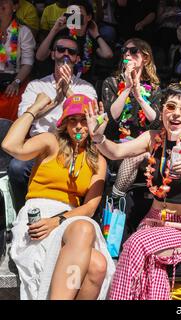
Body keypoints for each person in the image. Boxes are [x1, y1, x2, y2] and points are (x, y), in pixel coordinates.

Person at [87, 83, 181, 300]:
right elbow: (116, 152)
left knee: (134, 244)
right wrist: (98, 138)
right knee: (147, 260)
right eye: (171, 107)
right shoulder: (152, 137)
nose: (176, 114)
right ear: (162, 110)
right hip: (153, 221)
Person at [1, 93, 115, 300]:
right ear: (64, 123)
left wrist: (58, 220)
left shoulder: (98, 159)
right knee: (95, 260)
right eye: (73, 120)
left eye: (84, 120)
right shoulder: (50, 141)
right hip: (40, 214)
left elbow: (89, 208)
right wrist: (35, 108)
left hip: (71, 218)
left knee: (97, 264)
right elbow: (10, 146)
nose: (79, 126)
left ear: (92, 122)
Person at [8, 35, 97, 212]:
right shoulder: (36, 85)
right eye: (60, 49)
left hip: (75, 145)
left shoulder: (85, 88)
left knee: (102, 172)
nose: (65, 54)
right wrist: (56, 102)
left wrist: (67, 90)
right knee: (16, 167)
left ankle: (82, 215)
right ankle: (22, 212)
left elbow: (90, 117)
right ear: (52, 53)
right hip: (39, 145)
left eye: (71, 52)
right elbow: (24, 117)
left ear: (77, 58)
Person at [102, 38, 161, 200]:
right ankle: (114, 200)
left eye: (134, 51)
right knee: (129, 154)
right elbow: (110, 117)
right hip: (116, 145)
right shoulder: (112, 83)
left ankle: (113, 198)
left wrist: (139, 97)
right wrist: (127, 88)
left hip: (143, 150)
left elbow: (156, 122)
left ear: (146, 58)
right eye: (124, 51)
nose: (127, 53)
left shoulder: (154, 90)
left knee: (136, 154)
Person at [35, 1, 113, 81]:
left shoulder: (91, 37)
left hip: (83, 83)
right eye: (72, 11)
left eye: (78, 10)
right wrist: (54, 30)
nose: (75, 14)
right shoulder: (62, 34)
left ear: (89, 17)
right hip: (59, 79)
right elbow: (40, 56)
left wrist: (96, 35)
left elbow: (108, 54)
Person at [0, 0, 36, 121]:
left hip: (13, 81)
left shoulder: (23, 32)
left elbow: (27, 64)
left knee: (14, 102)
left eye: (4, 1)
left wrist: (16, 82)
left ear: (15, 6)